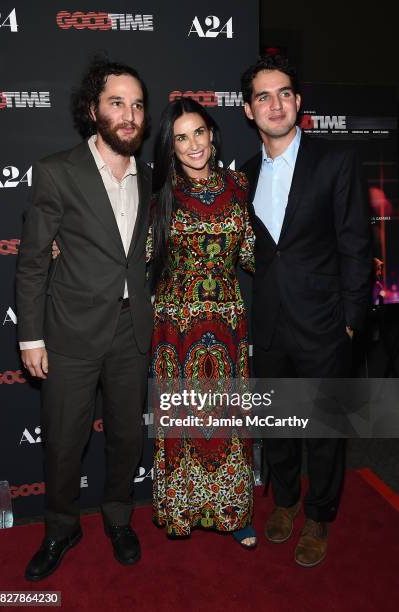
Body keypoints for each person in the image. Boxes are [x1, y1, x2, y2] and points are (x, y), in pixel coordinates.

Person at [16, 57, 153, 581]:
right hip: (69, 331)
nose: (129, 114)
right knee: (64, 439)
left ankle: (119, 518)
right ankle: (60, 527)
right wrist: (31, 335)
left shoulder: (153, 174)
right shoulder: (57, 171)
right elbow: (32, 262)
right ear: (93, 109)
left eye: (138, 105)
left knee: (124, 436)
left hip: (131, 329)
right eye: (117, 102)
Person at [240, 54, 372, 566]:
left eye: (285, 93)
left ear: (298, 101)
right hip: (269, 323)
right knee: (277, 424)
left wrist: (351, 320)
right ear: (249, 110)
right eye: (263, 96)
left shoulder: (335, 161)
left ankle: (319, 514)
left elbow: (356, 244)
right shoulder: (244, 175)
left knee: (323, 428)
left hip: (325, 324)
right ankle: (287, 501)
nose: (276, 104)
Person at [149, 98, 257, 548]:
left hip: (228, 324)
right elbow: (138, 255)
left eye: (199, 133)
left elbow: (253, 252)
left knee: (229, 421)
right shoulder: (159, 193)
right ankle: (182, 510)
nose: (193, 145)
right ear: (171, 147)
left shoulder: (240, 184)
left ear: (212, 135)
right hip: (176, 327)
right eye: (181, 138)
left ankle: (235, 512)